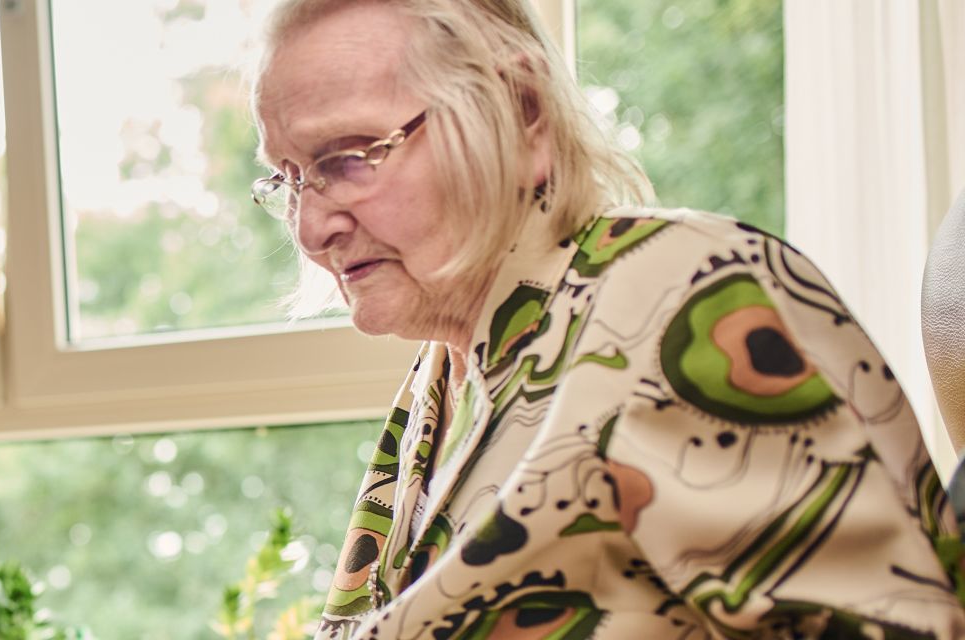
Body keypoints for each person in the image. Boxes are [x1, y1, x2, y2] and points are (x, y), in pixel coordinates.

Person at [249, 0, 965, 637]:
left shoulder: (678, 295)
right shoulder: (439, 387)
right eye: (286, 178)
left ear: (522, 111)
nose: (310, 229)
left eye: (346, 159)